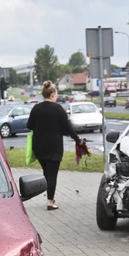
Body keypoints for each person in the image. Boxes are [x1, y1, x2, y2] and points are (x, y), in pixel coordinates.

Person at [26, 81, 81, 211]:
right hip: (54, 147)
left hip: (39, 146)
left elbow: (29, 125)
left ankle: (49, 196)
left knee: (46, 172)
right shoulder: (57, 109)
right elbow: (68, 128)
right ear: (52, 95)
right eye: (56, 94)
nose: (56, 96)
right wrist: (78, 140)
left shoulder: (36, 108)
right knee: (52, 175)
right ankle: (50, 202)